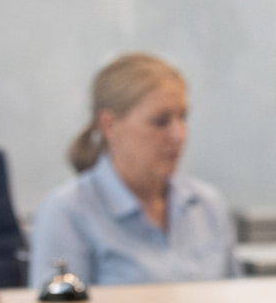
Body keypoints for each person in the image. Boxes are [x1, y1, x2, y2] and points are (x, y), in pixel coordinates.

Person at [29, 53, 237, 286]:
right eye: (160, 121)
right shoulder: (68, 213)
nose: (179, 135)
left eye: (183, 117)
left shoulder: (207, 205)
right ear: (109, 125)